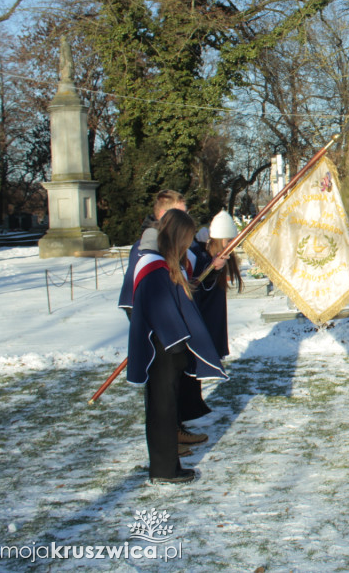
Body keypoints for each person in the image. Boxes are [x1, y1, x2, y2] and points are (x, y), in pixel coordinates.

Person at [126, 209, 228, 484]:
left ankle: (167, 465)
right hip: (162, 349)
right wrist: (178, 346)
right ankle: (164, 470)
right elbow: (160, 310)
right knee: (162, 409)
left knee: (167, 407)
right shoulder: (153, 265)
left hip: (167, 348)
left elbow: (182, 295)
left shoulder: (165, 263)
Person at [118, 190, 210, 449]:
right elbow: (140, 294)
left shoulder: (169, 244)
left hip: (174, 332)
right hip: (160, 336)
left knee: (174, 390)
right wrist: (156, 333)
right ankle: (167, 443)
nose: (186, 218)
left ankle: (175, 431)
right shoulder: (147, 247)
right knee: (161, 394)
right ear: (163, 215)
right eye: (181, 214)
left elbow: (184, 279)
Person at [192, 211, 243, 359]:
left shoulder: (213, 256)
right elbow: (203, 282)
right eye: (228, 240)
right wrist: (214, 269)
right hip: (205, 321)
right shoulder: (203, 257)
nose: (231, 244)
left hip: (214, 318)